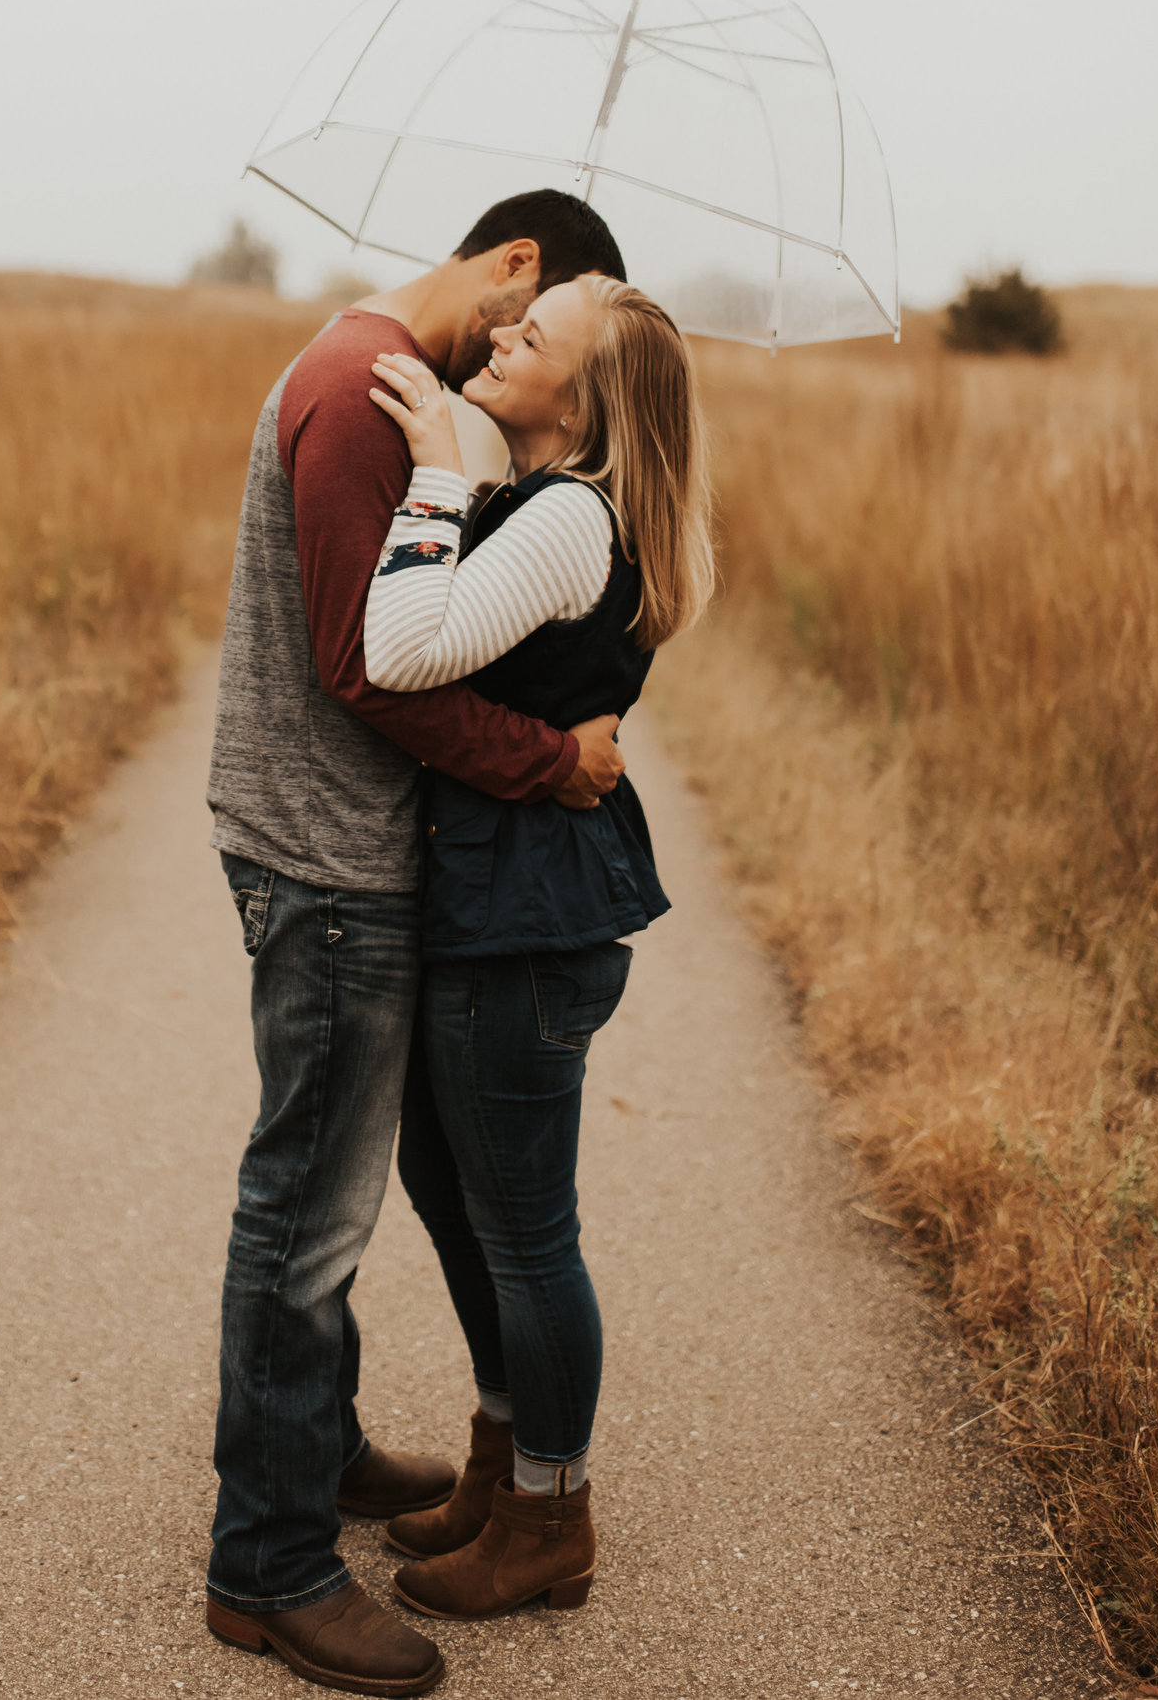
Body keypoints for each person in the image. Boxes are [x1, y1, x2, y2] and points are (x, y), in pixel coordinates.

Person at [204, 191, 631, 1698]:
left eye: (546, 344)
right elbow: (365, 665)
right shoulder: (356, 388)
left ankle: (312, 1453)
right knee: (307, 1215)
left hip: (343, 852)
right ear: (517, 261)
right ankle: (267, 1561)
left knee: (330, 1193)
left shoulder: (404, 392)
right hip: (324, 859)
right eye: (537, 312)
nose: (522, 342)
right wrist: (552, 760)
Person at [358, 271, 713, 1622]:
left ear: (590, 396)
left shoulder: (571, 520)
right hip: (505, 896)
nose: (502, 334)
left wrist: (440, 473)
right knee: (454, 1187)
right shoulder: (555, 502)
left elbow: (402, 647)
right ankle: (504, 1460)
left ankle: (550, 1516)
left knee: (525, 1227)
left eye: (537, 334)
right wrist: (462, 450)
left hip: (527, 916)